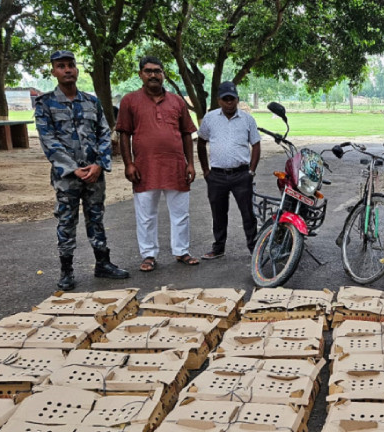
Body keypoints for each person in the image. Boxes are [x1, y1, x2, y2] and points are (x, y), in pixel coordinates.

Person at [34, 50, 129, 290]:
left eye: (71, 65)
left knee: (96, 218)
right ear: (54, 71)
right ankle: (67, 272)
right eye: (61, 66)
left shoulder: (91, 102)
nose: (67, 70)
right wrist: (74, 169)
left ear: (76, 70)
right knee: (66, 221)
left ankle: (103, 263)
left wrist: (99, 164)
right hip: (67, 178)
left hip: (94, 174)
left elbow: (104, 133)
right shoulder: (45, 104)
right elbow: (49, 141)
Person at [115, 56, 199, 272]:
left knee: (181, 214)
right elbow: (124, 134)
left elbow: (187, 134)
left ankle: (181, 251)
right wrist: (129, 164)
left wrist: (190, 163)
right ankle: (148, 255)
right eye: (148, 71)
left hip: (176, 166)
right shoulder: (130, 101)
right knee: (146, 215)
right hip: (144, 168)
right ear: (140, 74)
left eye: (157, 71)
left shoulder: (177, 101)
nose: (153, 75)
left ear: (163, 74)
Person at [197, 81, 260, 259]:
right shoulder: (210, 118)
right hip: (216, 175)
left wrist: (252, 171)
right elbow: (201, 142)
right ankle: (218, 248)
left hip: (241, 174)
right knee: (218, 213)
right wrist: (205, 170)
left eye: (232, 99)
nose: (229, 102)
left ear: (237, 99)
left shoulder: (247, 119)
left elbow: (256, 145)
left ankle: (253, 247)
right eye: (225, 99)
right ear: (219, 101)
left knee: (248, 213)